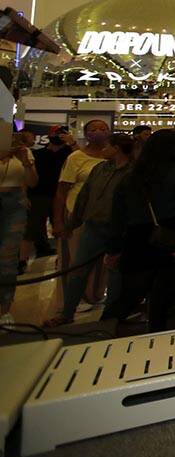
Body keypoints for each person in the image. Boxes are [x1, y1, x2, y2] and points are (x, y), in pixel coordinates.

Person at [104, 130, 175, 331]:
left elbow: (117, 215)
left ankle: (98, 331)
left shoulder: (132, 176)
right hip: (171, 237)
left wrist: (114, 248)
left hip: (137, 239)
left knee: (130, 295)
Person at [45, 133, 135, 326]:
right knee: (78, 271)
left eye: (107, 146)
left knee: (115, 275)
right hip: (93, 226)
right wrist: (71, 223)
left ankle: (109, 319)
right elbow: (84, 197)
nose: (103, 149)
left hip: (119, 230)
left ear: (116, 148)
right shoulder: (100, 169)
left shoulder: (133, 172)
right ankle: (67, 313)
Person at [53, 120, 111, 294]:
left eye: (103, 129)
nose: (99, 132)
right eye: (94, 129)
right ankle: (67, 300)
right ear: (86, 134)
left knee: (100, 261)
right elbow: (61, 191)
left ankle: (93, 295)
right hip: (76, 215)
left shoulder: (112, 158)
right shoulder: (76, 157)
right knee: (73, 260)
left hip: (103, 217)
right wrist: (58, 221)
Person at [0, 128, 37, 325]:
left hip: (14, 204)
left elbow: (32, 182)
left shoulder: (23, 152)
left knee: (7, 260)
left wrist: (26, 162)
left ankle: (4, 308)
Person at [22, 125, 69, 269]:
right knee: (32, 228)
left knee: (61, 228)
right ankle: (21, 261)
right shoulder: (38, 154)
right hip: (38, 194)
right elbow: (26, 176)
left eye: (62, 134)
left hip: (61, 195)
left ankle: (61, 259)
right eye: (57, 134)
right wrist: (25, 195)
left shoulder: (70, 153)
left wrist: (71, 142)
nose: (59, 136)